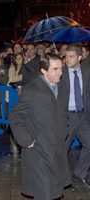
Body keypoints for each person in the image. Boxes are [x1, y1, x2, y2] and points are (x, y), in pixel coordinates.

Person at [9, 53, 71, 200]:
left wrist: (65, 128)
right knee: (45, 192)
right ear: (44, 70)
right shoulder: (32, 89)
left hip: (57, 147)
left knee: (56, 189)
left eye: (61, 68)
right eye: (55, 69)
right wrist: (26, 140)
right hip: (39, 149)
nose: (60, 72)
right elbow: (15, 116)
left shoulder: (62, 86)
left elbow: (63, 111)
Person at [63, 44, 90, 188]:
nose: (67, 59)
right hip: (67, 116)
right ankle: (61, 181)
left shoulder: (87, 72)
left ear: (80, 57)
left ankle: (79, 174)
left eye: (71, 56)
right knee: (62, 150)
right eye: (66, 56)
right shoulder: (60, 73)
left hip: (83, 116)